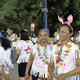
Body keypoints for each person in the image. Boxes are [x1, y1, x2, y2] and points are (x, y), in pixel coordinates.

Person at [48, 15, 80, 80]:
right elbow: (50, 65)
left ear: (70, 34)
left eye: (63, 32)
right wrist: (50, 73)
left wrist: (65, 75)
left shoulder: (74, 48)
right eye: (60, 31)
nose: (60, 33)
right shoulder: (54, 47)